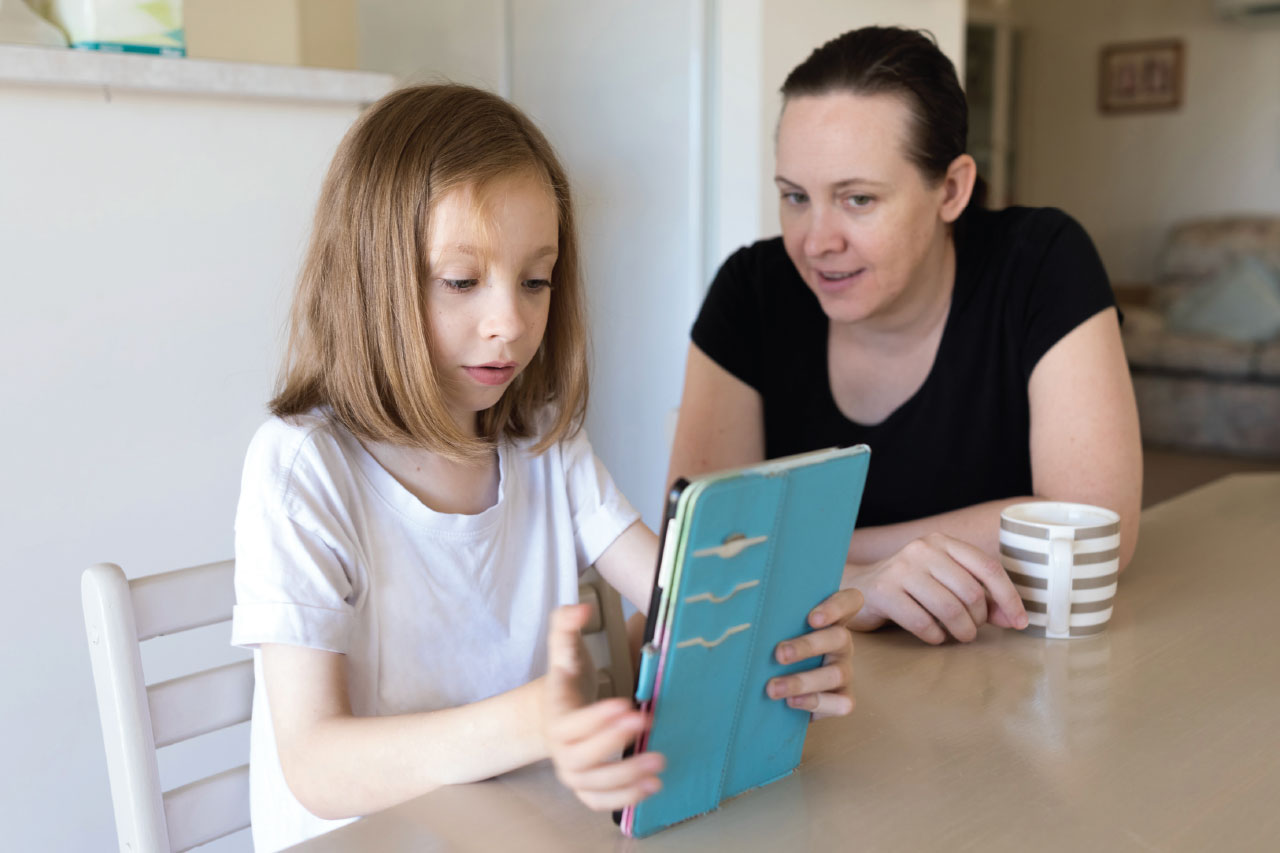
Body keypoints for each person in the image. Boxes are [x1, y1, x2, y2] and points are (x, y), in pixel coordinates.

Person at [230, 84, 863, 852]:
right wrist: (535, 721)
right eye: (462, 281)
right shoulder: (303, 468)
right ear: (371, 279)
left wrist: (785, 639)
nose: (512, 322)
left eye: (536, 279)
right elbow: (317, 764)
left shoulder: (540, 441)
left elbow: (683, 594)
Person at [668, 27, 1142, 647]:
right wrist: (857, 583)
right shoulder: (751, 291)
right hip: (811, 682)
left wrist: (827, 566)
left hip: (1006, 675)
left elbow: (1091, 529)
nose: (816, 241)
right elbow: (696, 551)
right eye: (795, 197)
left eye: (857, 199)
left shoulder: (1041, 262)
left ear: (951, 190)